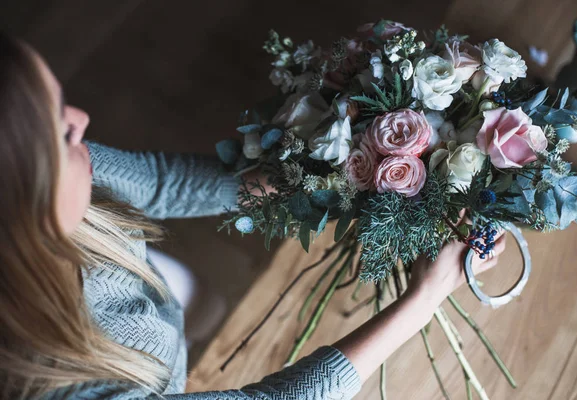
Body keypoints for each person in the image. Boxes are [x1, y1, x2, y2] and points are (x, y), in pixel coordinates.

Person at [0, 32, 507, 400]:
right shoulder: (59, 386)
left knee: (199, 308)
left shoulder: (55, 180)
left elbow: (157, 183)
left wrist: (317, 172)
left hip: (149, 294)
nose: (81, 122)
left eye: (60, 103)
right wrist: (422, 300)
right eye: (63, 135)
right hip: (140, 367)